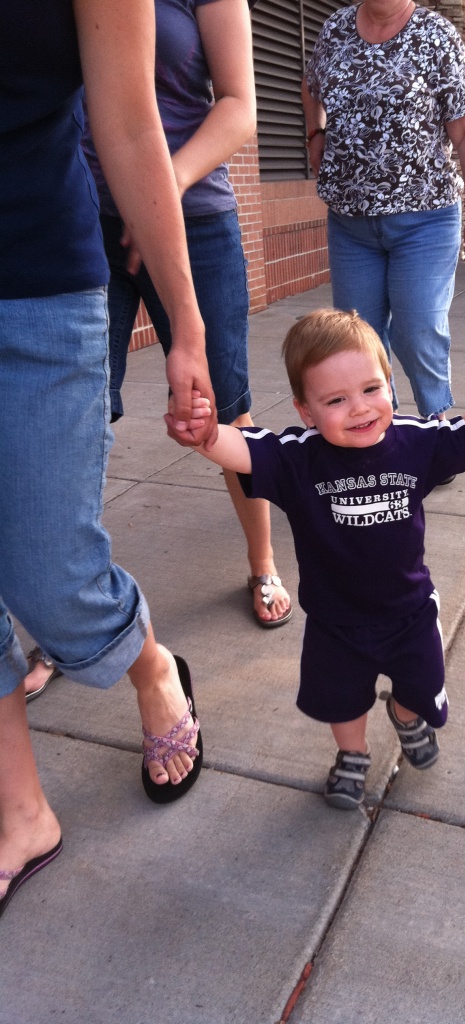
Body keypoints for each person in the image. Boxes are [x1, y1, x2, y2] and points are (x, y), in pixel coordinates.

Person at [0, 0, 216, 921]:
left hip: (34, 284)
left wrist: (186, 322)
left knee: (53, 573)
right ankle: (20, 813)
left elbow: (128, 123)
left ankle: (151, 665)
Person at [180, 309, 465, 809]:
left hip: (410, 612)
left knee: (420, 685)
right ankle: (352, 755)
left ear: (390, 383)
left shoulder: (414, 441)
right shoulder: (298, 457)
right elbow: (243, 450)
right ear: (306, 410)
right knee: (340, 699)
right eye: (336, 400)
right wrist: (205, 434)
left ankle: (404, 714)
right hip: (335, 621)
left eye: (371, 389)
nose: (359, 409)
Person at [80, 0, 292, 632]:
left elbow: (240, 106)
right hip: (81, 219)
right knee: (76, 414)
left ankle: (263, 561)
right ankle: (76, 603)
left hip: (194, 218)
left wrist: (158, 193)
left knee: (224, 403)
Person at [301, 0, 465, 420]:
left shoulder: (436, 35)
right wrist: (316, 131)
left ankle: (438, 425)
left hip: (424, 219)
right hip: (350, 223)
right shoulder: (335, 29)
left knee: (417, 330)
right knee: (358, 339)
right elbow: (311, 85)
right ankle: (378, 427)